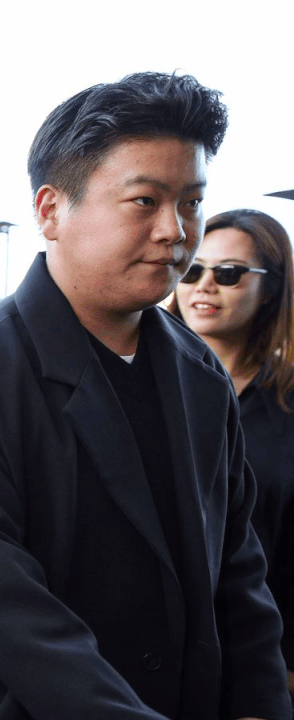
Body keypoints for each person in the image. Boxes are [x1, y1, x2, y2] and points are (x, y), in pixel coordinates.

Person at [0, 72, 291, 720]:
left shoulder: (199, 372)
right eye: (144, 201)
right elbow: (8, 611)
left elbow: (237, 567)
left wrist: (259, 702)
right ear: (51, 211)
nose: (175, 230)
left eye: (192, 202)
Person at [170, 209, 294, 700]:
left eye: (228, 273)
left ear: (271, 287)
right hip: (153, 659)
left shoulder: (286, 405)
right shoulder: (135, 387)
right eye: (192, 269)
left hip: (263, 662)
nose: (204, 286)